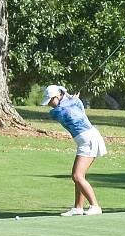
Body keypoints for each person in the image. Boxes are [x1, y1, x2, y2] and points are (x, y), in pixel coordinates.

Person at [41, 84, 107, 216]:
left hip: (89, 140)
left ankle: (95, 206)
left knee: (77, 176)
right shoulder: (66, 107)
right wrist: (72, 99)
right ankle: (78, 207)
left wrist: (71, 99)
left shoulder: (64, 108)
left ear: (58, 96)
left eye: (50, 100)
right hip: (85, 140)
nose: (49, 104)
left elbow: (67, 108)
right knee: (79, 176)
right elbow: (68, 106)